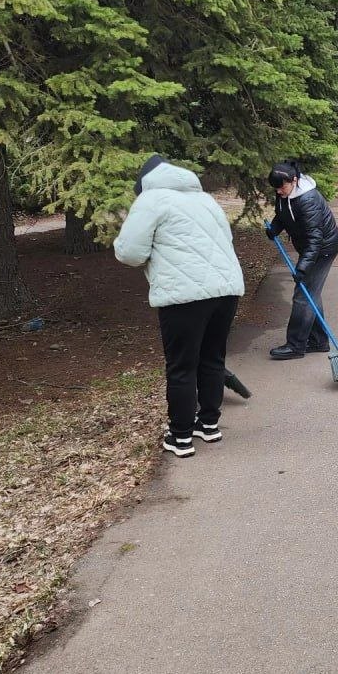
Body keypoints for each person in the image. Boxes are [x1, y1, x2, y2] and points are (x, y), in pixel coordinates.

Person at [114, 154, 245, 458]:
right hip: (226, 290)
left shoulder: (151, 200)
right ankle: (209, 425)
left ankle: (181, 437)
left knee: (181, 366)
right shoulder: (206, 199)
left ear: (144, 182)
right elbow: (225, 239)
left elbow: (131, 253)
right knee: (212, 358)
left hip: (184, 296)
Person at [266, 161, 338, 359]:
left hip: (323, 249)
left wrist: (303, 267)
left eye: (282, 187)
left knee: (302, 296)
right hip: (310, 248)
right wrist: (274, 228)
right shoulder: (284, 193)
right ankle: (318, 341)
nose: (279, 191)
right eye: (275, 188)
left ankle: (296, 345)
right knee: (311, 294)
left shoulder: (308, 200)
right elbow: (282, 215)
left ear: (294, 180)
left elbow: (315, 239)